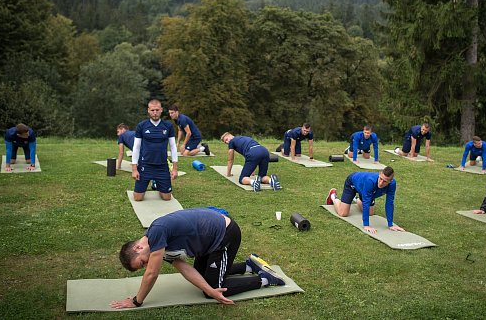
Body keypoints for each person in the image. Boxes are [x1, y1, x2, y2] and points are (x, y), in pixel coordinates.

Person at [110, 207, 286, 308]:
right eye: (143, 266)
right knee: (205, 282)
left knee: (214, 288)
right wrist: (207, 288)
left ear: (139, 247)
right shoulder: (158, 245)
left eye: (142, 261)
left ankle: (264, 279)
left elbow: (151, 274)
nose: (146, 264)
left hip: (225, 236)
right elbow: (185, 268)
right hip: (207, 244)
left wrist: (136, 301)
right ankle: (248, 266)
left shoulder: (156, 233)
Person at [325, 166, 405, 234]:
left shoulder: (392, 185)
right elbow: (366, 203)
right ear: (380, 174)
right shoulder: (370, 181)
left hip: (365, 190)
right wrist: (366, 225)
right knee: (343, 213)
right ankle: (333, 196)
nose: (381, 183)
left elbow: (389, 203)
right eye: (380, 179)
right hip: (353, 183)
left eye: (385, 181)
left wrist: (390, 224)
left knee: (370, 213)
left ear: (390, 181)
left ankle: (356, 199)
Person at [131, 99, 179, 201]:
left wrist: (174, 168)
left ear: (161, 110)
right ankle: (153, 181)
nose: (155, 113)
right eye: (152, 110)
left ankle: (157, 182)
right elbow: (136, 147)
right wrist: (134, 169)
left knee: (166, 198)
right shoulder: (142, 126)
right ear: (148, 110)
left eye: (157, 110)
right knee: (137, 198)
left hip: (162, 166)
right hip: (145, 165)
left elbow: (173, 147)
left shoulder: (168, 126)